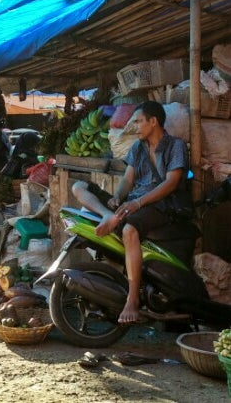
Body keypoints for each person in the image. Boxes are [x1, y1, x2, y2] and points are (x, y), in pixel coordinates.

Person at [71, 101, 191, 324]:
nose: (134, 126)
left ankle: (133, 298)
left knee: (129, 229)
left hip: (164, 205)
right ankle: (108, 214)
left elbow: (172, 183)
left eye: (138, 121)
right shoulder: (137, 147)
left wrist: (137, 204)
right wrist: (117, 197)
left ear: (153, 121)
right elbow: (128, 179)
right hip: (134, 203)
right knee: (79, 188)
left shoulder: (176, 146)